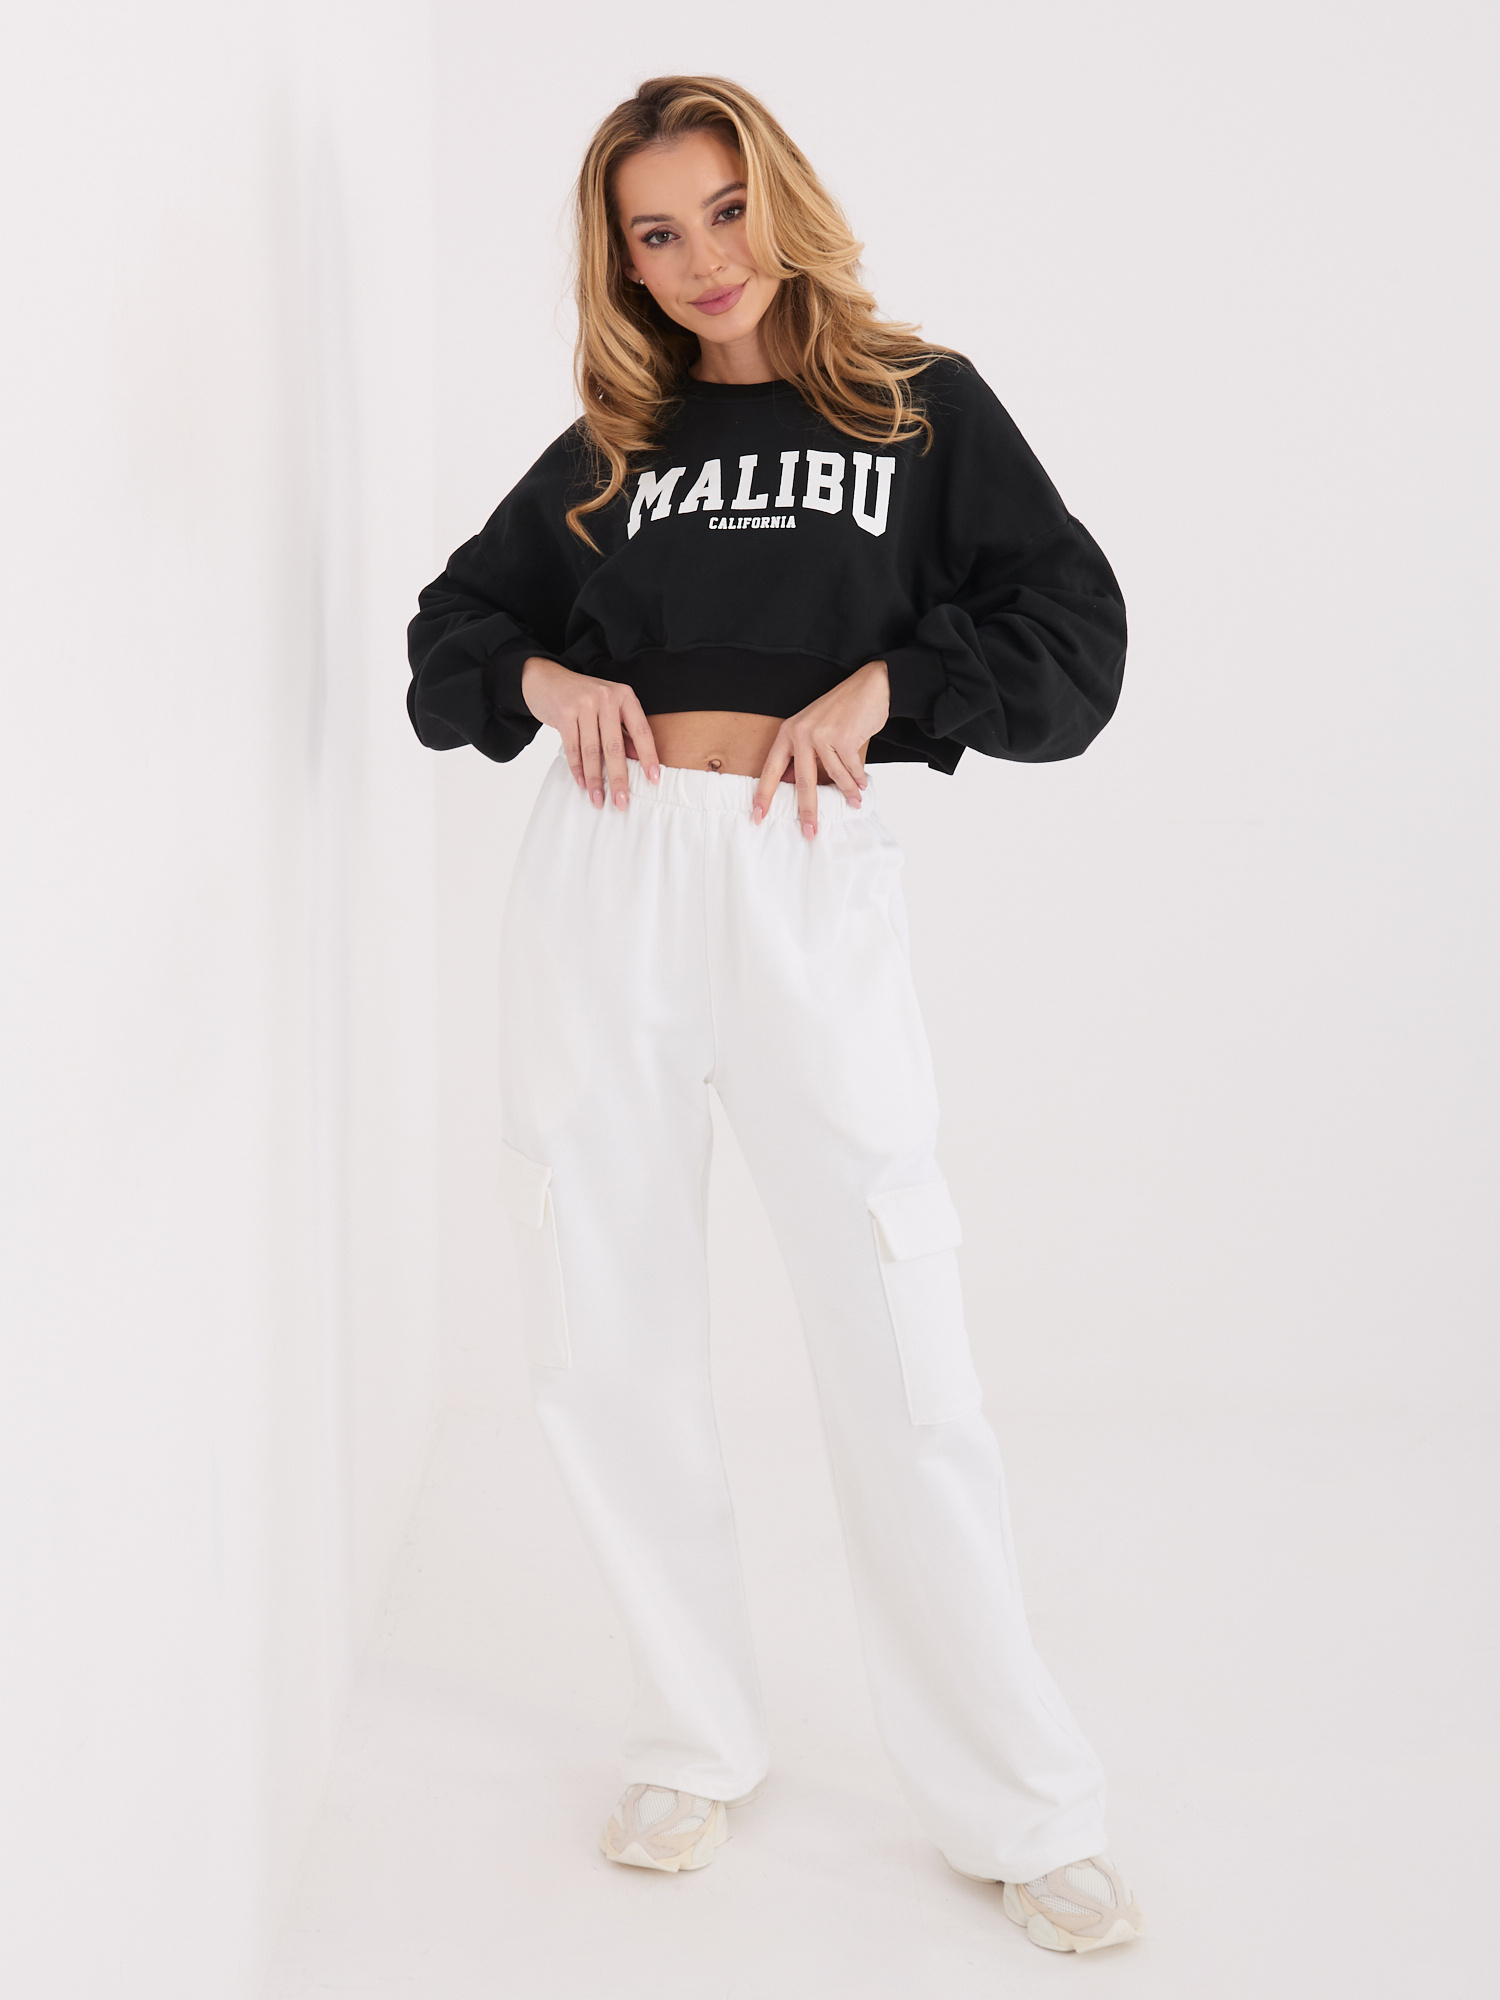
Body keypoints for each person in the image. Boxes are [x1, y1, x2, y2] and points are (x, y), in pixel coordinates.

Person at [406, 75, 1143, 1956]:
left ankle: (1021, 1801)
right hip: (607, 873)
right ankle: (694, 1733)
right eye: (657, 232)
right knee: (605, 1318)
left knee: (900, 1336)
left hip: (803, 877)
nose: (702, 259)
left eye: (724, 210)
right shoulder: (616, 442)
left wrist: (895, 685)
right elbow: (449, 637)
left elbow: (1075, 636)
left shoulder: (916, 406)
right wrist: (548, 678)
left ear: (781, 201)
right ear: (623, 260)